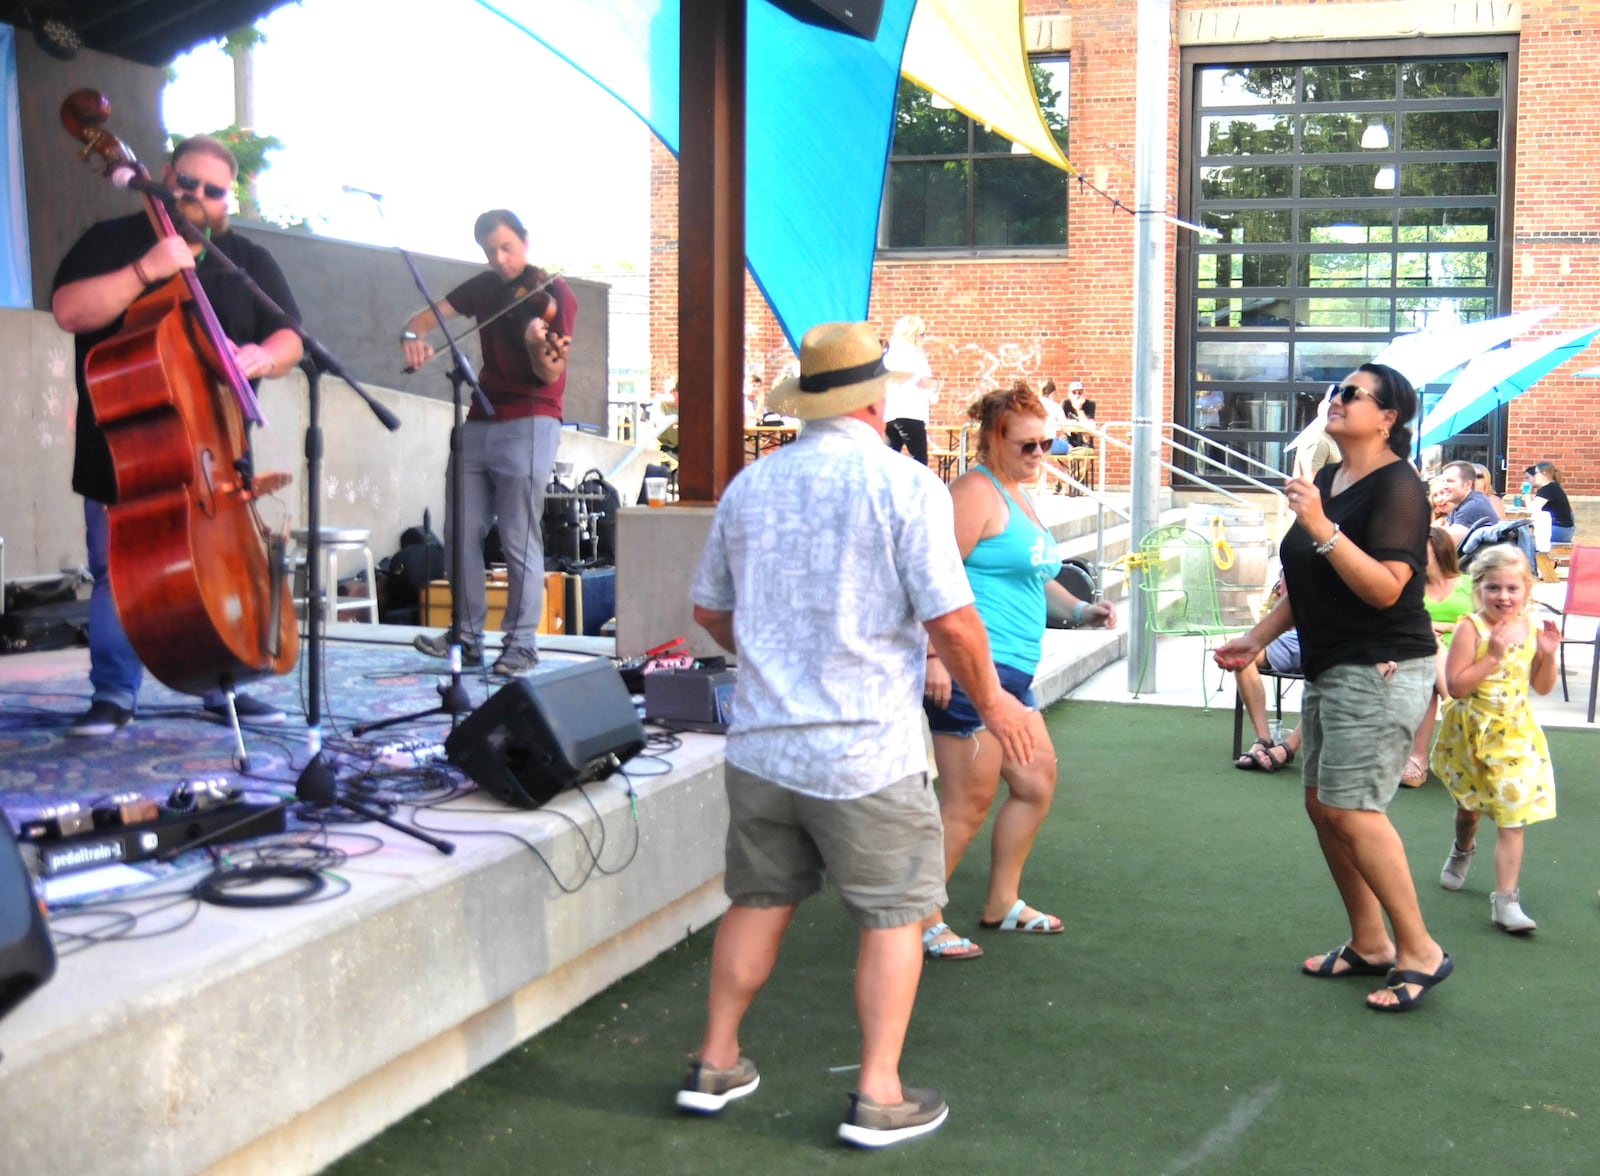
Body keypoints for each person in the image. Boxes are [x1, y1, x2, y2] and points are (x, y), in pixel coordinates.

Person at [681, 321, 1036, 1148]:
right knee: (893, 916)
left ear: (808, 400)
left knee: (756, 901)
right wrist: (996, 704)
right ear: (877, 399)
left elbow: (707, 608)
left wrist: (772, 660)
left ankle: (714, 1060)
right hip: (866, 752)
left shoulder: (750, 486)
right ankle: (877, 1092)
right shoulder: (904, 485)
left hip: (764, 743)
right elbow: (951, 619)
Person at [1214, 363, 1451, 1012]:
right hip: (1332, 665)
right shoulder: (1327, 478)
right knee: (1323, 806)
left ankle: (1420, 950)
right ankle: (1370, 943)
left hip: (1383, 666)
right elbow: (1309, 584)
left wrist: (1322, 526)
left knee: (1351, 809)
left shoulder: (1399, 487)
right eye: (1333, 391)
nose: (1335, 399)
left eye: (1352, 393)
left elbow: (1385, 587)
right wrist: (1256, 638)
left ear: (1388, 417)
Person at [51, 134, 302, 737]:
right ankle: (114, 694)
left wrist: (261, 358)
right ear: (165, 175)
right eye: (186, 182)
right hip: (125, 455)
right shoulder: (112, 241)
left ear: (228, 201)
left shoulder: (248, 261)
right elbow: (69, 311)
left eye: (213, 190)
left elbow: (290, 336)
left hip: (217, 457)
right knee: (119, 574)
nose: (196, 196)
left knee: (225, 567)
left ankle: (225, 684)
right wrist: (147, 270)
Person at [921, 382, 1116, 959]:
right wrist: (933, 655)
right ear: (992, 439)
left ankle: (1001, 902)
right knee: (967, 802)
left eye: (1047, 444)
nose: (1040, 455)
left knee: (1034, 782)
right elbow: (928, 579)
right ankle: (918, 920)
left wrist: (1081, 610)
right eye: (1027, 445)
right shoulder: (973, 495)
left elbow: (1035, 576)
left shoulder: (1020, 494)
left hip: (1011, 673)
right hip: (966, 671)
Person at [401, 209, 573, 677]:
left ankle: (521, 645)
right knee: (460, 530)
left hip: (531, 420)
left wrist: (537, 343)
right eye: (490, 251)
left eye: (507, 248)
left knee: (518, 536)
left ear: (525, 241)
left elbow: (550, 372)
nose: (500, 259)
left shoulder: (554, 295)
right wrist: (411, 336)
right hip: (479, 417)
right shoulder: (483, 288)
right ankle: (467, 636)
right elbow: (423, 318)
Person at [1430, 545, 1560, 933]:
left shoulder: (1533, 629)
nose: (1503, 597)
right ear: (1479, 589)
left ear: (1527, 590)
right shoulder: (1472, 627)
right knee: (1469, 810)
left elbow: (1540, 685)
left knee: (1512, 817)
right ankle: (1462, 849)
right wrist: (1492, 656)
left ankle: (1505, 901)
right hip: (1472, 731)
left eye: (1511, 589)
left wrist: (1548, 655)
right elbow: (1456, 686)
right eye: (1493, 588)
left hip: (1514, 733)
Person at [1399, 528, 1474, 788]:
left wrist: (1443, 627)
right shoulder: (1410, 587)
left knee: (1430, 668)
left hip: (1468, 657)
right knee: (1428, 667)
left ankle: (1417, 762)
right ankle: (1456, 707)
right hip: (1421, 655)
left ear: (1440, 552)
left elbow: (1484, 624)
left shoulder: (1469, 585)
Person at [1232, 577, 1302, 772]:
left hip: (1334, 640)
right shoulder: (1296, 553)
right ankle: (1264, 739)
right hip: (1294, 636)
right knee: (1243, 651)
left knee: (1335, 666)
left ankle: (1288, 747)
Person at [882, 314, 938, 464]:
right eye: (922, 334)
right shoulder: (915, 355)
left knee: (887, 460)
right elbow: (922, 382)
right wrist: (934, 387)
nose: (923, 338)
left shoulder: (888, 355)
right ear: (913, 334)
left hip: (891, 412)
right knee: (920, 462)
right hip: (911, 412)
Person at [1438, 459, 1499, 543]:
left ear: (1467, 485)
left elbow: (1447, 544)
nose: (1444, 486)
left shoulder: (1473, 506)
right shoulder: (1463, 503)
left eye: (1450, 481)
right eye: (1442, 481)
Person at [1526, 462, 1575, 543]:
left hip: (1558, 529)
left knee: (1524, 540)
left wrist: (1526, 491)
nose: (1534, 477)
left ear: (1544, 473)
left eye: (1536, 474)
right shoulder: (1551, 487)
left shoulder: (1548, 489)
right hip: (1564, 529)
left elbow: (1531, 510)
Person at [1061, 380, 1097, 445]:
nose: (1077, 395)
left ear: (1084, 394)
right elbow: (1061, 424)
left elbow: (1089, 427)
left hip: (1084, 441)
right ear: (1069, 395)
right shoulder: (1065, 404)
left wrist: (1079, 409)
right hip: (1068, 440)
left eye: (1080, 393)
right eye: (1074, 393)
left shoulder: (1090, 404)